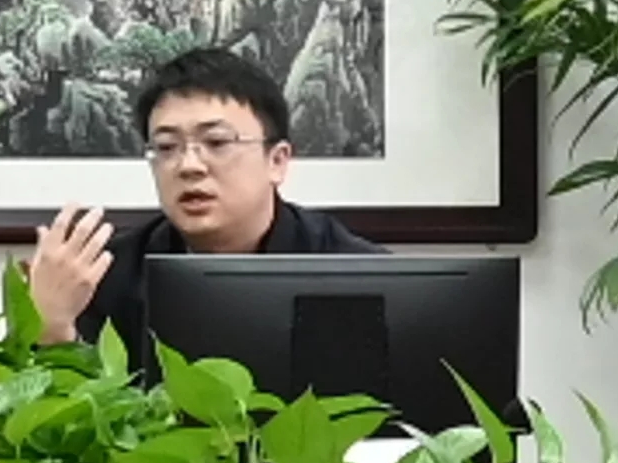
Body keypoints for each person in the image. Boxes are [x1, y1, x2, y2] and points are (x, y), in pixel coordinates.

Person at [27, 47, 387, 364]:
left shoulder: (360, 277)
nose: (189, 166)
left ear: (277, 161)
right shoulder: (101, 278)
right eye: (166, 147)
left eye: (216, 142)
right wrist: (51, 328)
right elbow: (64, 414)